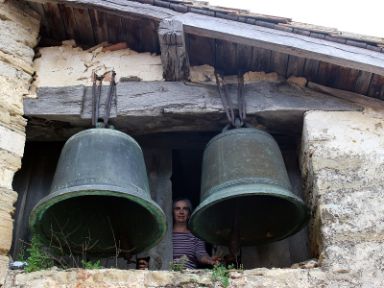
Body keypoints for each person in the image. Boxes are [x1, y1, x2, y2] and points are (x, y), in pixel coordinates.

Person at [172, 198, 220, 269]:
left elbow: (201, 254)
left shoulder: (195, 236)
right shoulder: (165, 236)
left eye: (185, 209)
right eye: (177, 208)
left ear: (189, 214)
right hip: (166, 276)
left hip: (188, 276)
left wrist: (209, 260)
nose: (181, 212)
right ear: (172, 213)